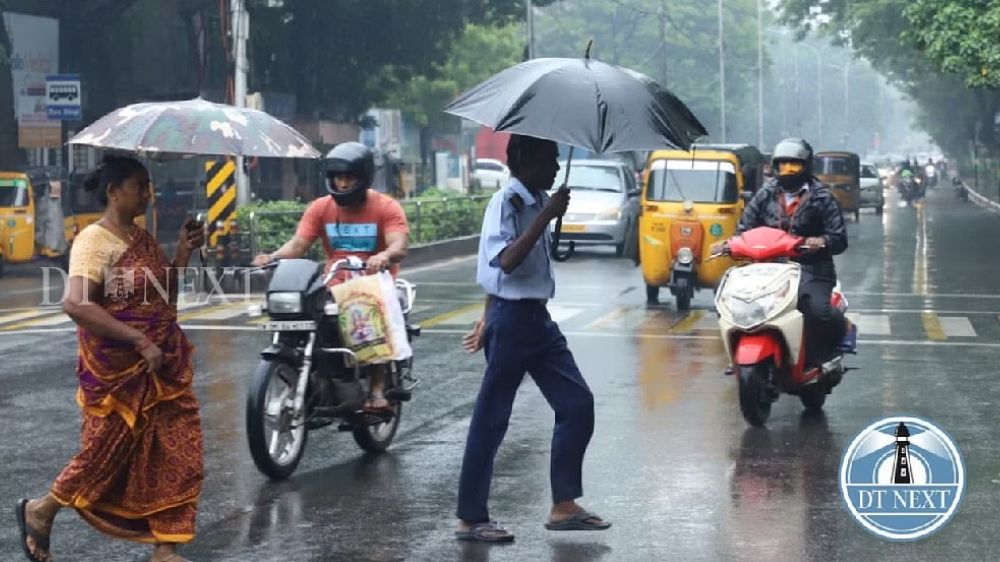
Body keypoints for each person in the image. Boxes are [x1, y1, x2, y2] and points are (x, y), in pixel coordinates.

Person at [16, 155, 205, 562]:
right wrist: (138, 339)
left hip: (163, 366)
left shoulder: (143, 239)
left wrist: (184, 254)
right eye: (140, 186)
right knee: (104, 454)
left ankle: (165, 547)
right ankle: (41, 509)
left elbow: (161, 298)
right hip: (118, 372)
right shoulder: (92, 241)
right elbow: (77, 304)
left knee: (179, 451)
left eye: (148, 185)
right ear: (114, 191)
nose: (148, 194)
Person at [454, 134, 610, 543]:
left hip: (537, 319)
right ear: (523, 158)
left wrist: (549, 213)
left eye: (558, 159)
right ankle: (471, 518)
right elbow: (504, 262)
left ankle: (563, 505)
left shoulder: (539, 200)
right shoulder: (507, 203)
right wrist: (547, 216)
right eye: (550, 158)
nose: (557, 167)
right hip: (513, 321)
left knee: (577, 402)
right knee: (491, 419)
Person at [251, 142, 409, 411]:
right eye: (338, 177)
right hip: (334, 281)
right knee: (301, 313)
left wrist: (384, 256)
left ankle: (377, 387)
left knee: (364, 312)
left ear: (363, 177)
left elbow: (400, 245)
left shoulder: (386, 207)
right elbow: (299, 245)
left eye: (349, 177)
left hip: (374, 281)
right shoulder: (320, 208)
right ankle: (313, 373)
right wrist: (272, 257)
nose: (343, 183)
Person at [713, 138, 848, 371]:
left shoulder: (822, 197)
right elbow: (744, 229)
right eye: (783, 166)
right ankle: (737, 354)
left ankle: (824, 354)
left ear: (806, 166)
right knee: (726, 299)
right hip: (767, 268)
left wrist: (822, 241)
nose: (788, 171)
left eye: (793, 166)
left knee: (816, 311)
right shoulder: (764, 194)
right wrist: (729, 244)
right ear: (775, 168)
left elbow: (839, 238)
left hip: (811, 269)